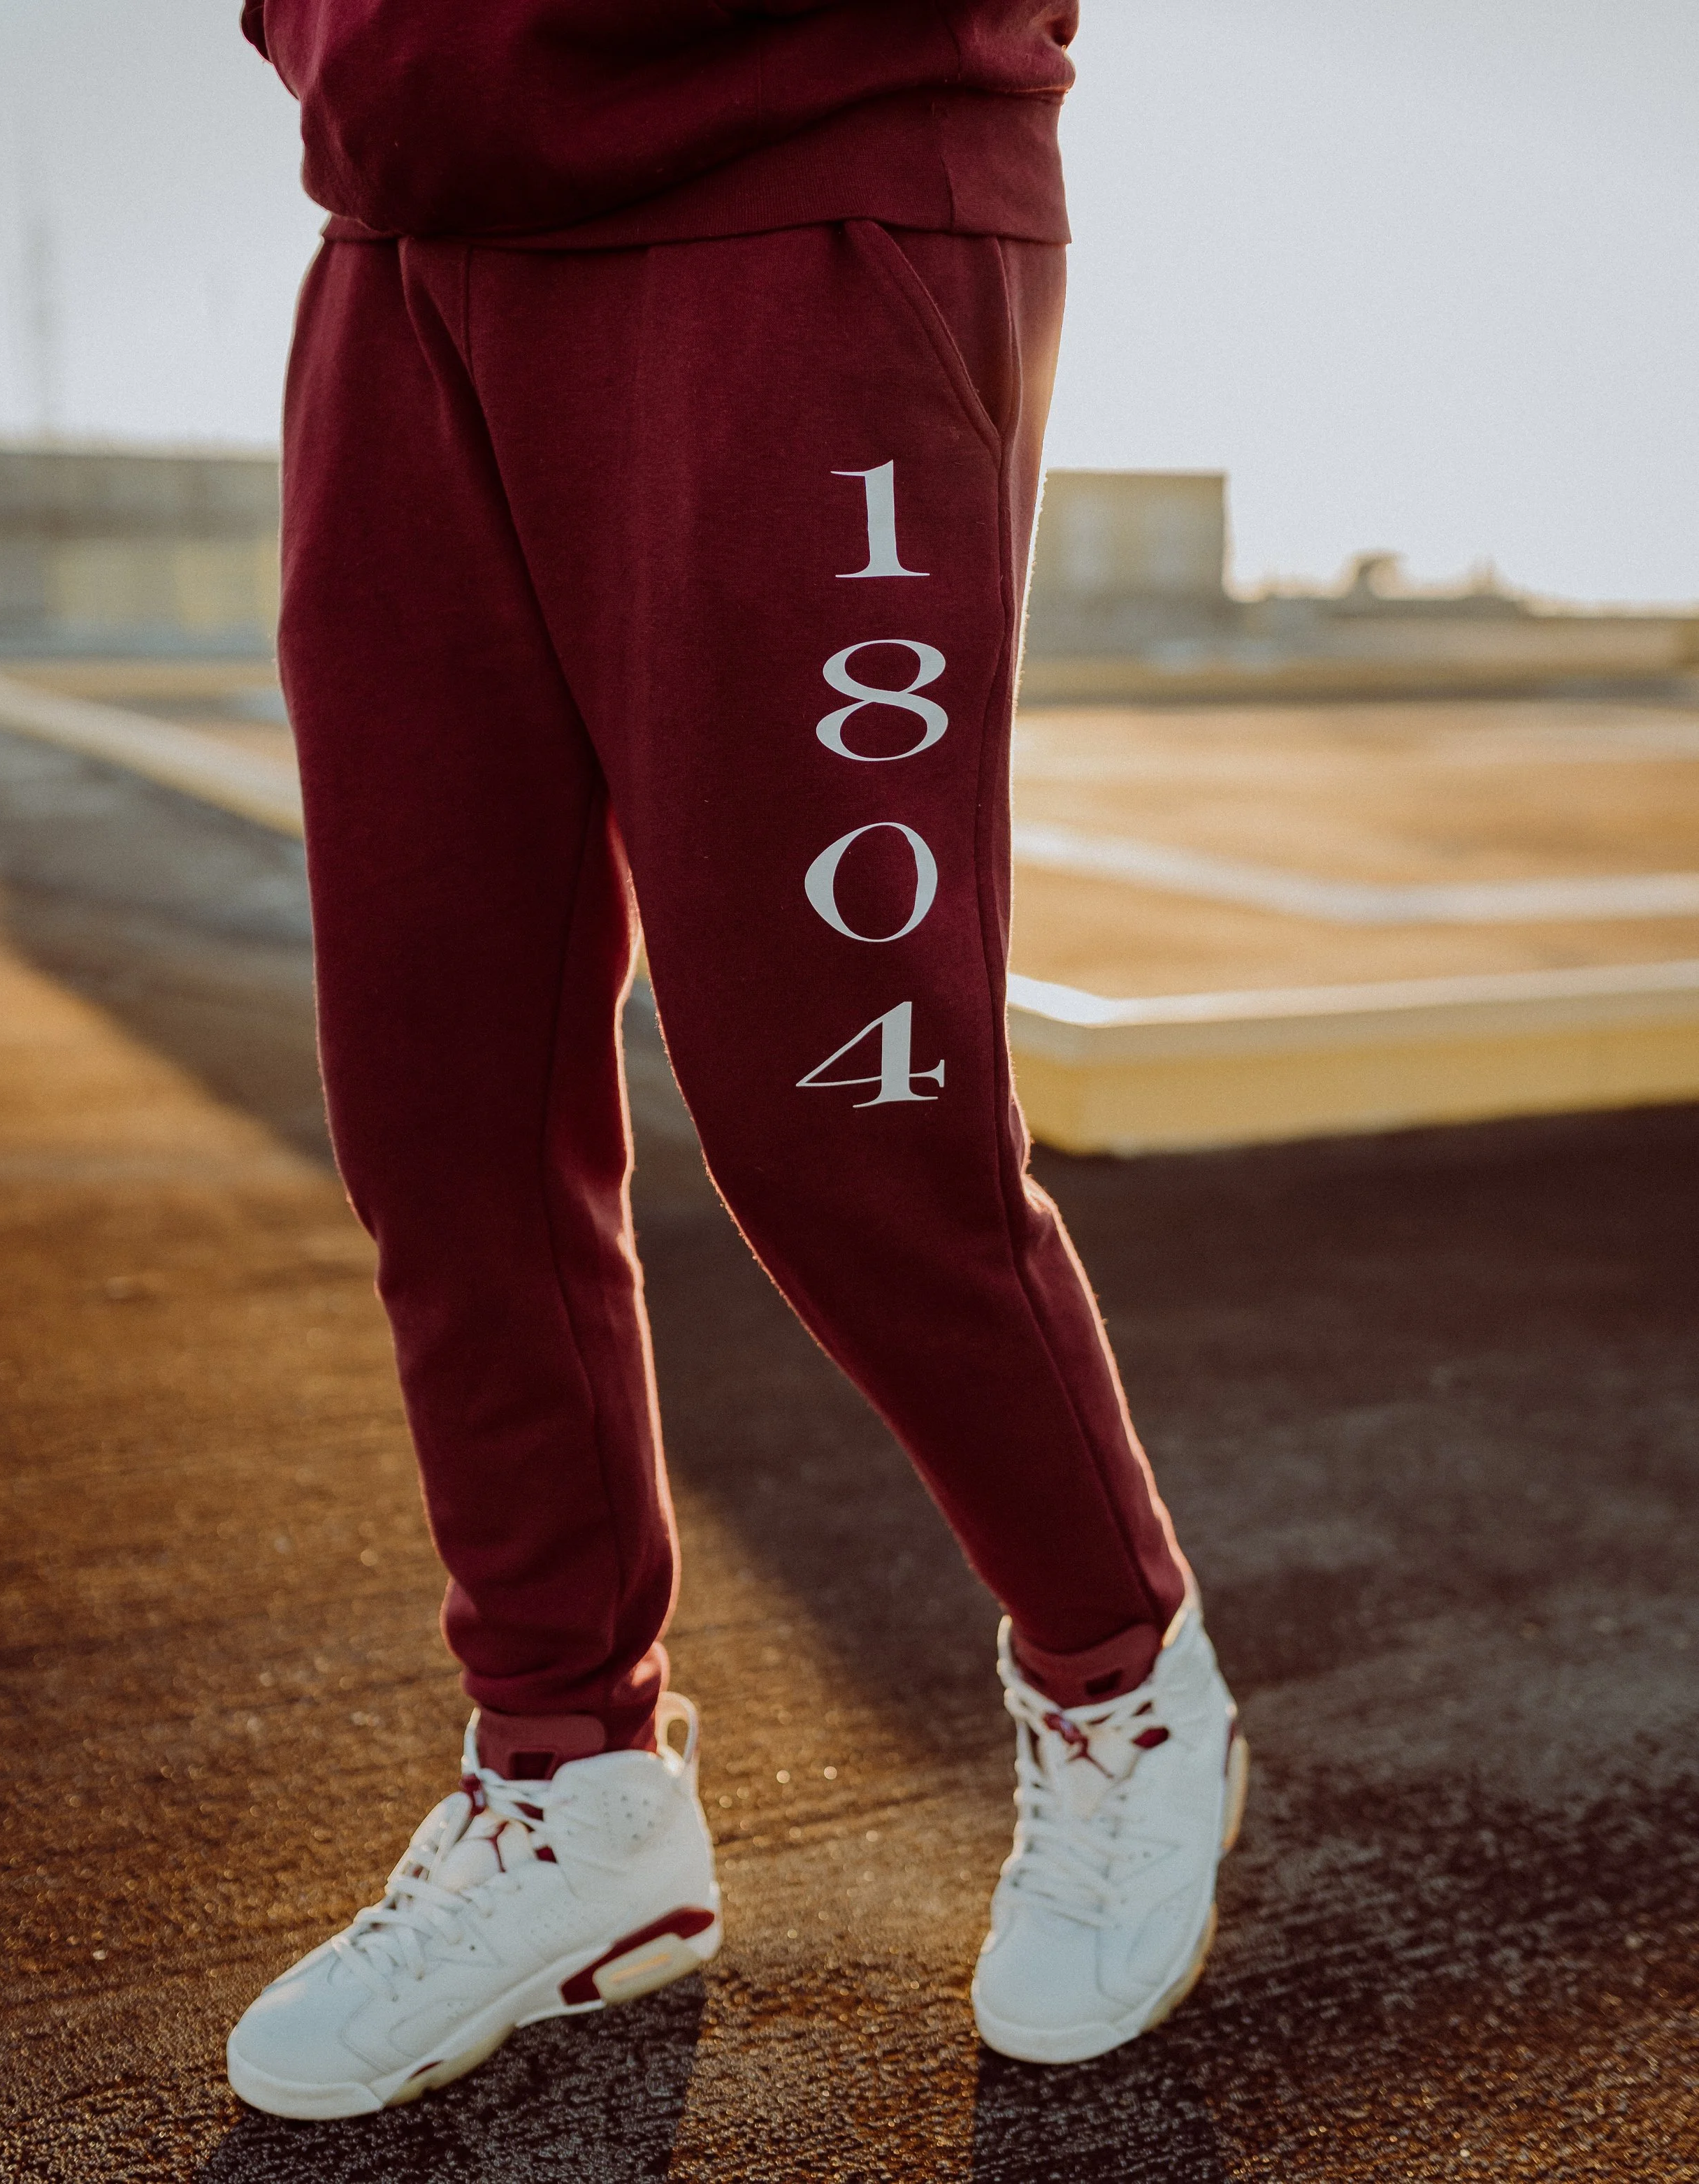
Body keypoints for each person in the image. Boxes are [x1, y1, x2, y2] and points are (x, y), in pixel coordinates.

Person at [226, 0, 1246, 2120]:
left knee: (840, 1108)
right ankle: (573, 1786)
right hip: (404, 255)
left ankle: (1122, 1682)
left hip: (797, 199)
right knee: (437, 1105)